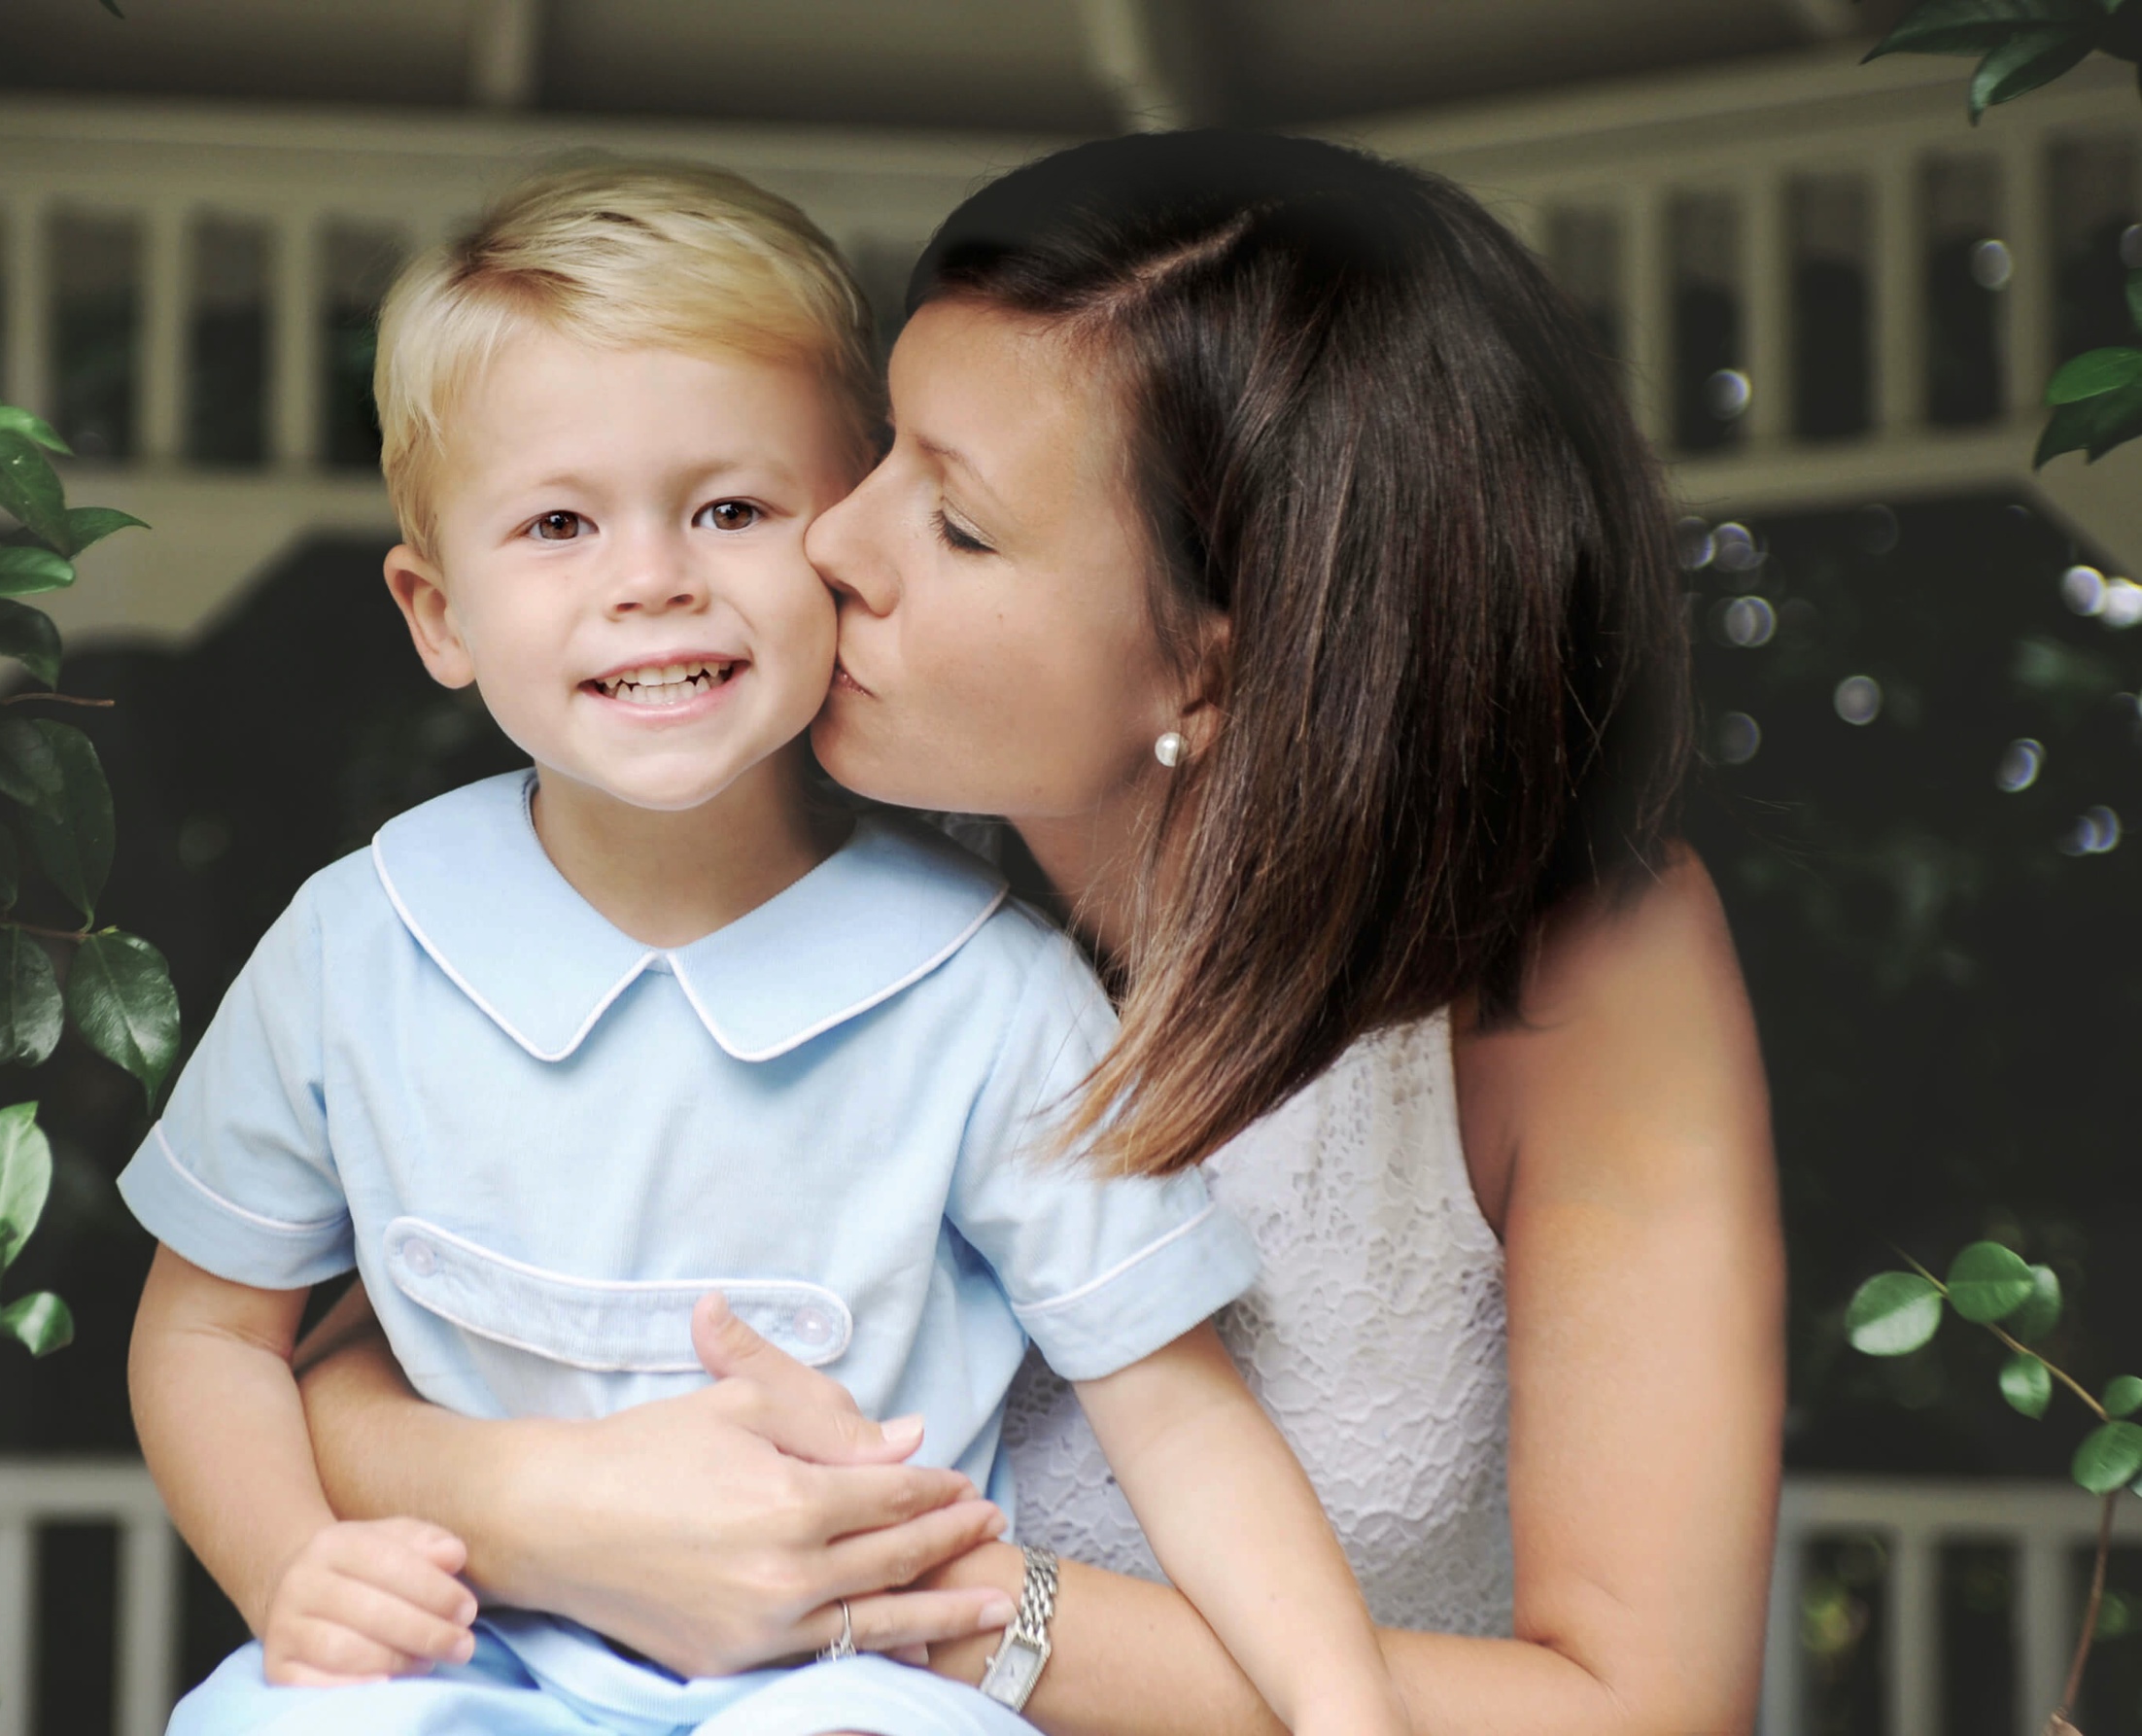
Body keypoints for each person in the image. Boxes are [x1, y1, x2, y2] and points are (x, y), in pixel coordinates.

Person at [292, 130, 1786, 1736]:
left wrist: (930, 1599)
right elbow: (370, 1350)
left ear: (1217, 662)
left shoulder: (1578, 969)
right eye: (878, 456)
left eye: (956, 522)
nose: (830, 543)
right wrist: (561, 1513)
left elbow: (1646, 1710)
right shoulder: (765, 832)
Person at [122, 157, 1411, 1736]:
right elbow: (204, 1328)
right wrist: (291, 1566)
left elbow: (1180, 1412)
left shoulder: (986, 991)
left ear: (839, 543)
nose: (652, 576)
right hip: (471, 1659)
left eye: (731, 508)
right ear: (436, 610)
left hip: (851, 1677)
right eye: (556, 523)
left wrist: (1351, 1722)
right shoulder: (357, 943)